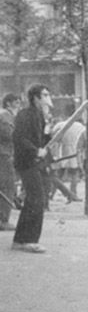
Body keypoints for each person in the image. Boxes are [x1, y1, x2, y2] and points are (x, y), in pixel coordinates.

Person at [11, 85, 54, 253]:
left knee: (33, 200)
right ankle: (29, 240)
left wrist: (49, 135)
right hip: (26, 162)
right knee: (37, 199)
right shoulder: (25, 114)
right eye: (44, 94)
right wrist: (35, 150)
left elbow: (41, 138)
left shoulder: (40, 116)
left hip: (35, 162)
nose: (47, 98)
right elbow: (19, 138)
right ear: (35, 98)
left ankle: (21, 240)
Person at [0, 93, 21, 230]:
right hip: (4, 154)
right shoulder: (6, 115)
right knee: (8, 186)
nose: (19, 104)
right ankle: (3, 219)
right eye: (16, 102)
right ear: (8, 103)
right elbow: (9, 134)